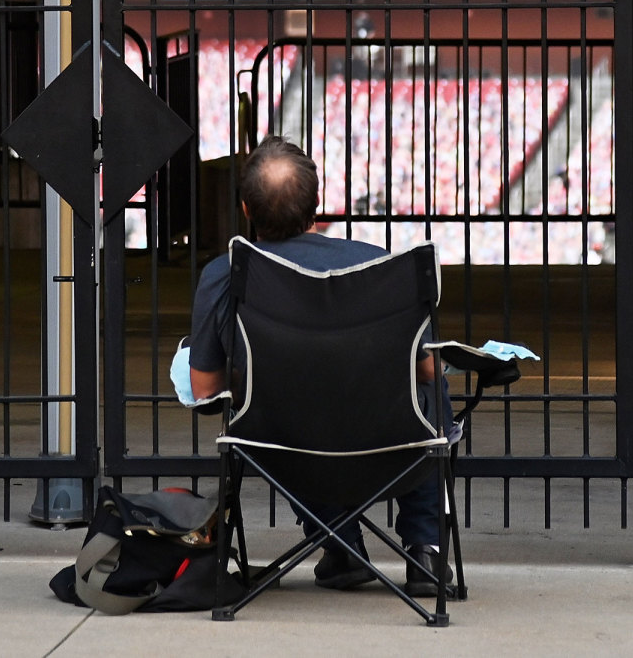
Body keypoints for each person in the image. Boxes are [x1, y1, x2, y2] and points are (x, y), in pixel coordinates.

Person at [187, 134, 451, 598]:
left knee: (280, 402)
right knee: (432, 389)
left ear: (246, 210)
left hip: (282, 449)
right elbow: (427, 372)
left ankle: (341, 545)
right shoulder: (377, 265)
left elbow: (204, 388)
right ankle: (424, 550)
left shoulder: (225, 273)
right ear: (317, 203)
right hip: (388, 445)